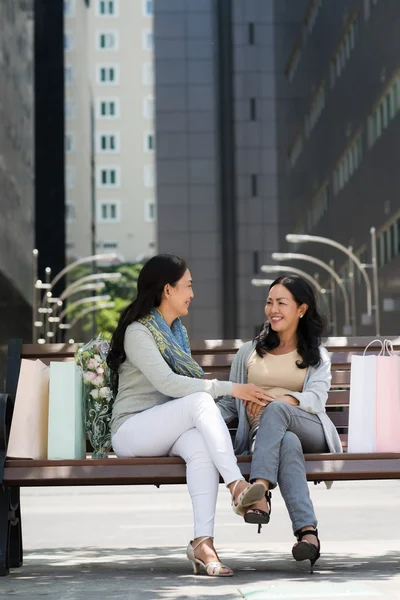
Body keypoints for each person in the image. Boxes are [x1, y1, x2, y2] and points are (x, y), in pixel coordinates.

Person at [107, 254, 271, 577]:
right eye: (188, 286)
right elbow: (169, 383)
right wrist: (232, 389)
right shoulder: (138, 333)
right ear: (167, 290)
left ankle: (202, 542)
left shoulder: (175, 333)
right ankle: (237, 485)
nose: (192, 294)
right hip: (132, 430)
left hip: (166, 425)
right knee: (199, 401)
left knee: (200, 446)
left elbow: (181, 389)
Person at [217, 274, 342, 572]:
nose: (273, 309)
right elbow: (229, 403)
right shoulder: (249, 352)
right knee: (286, 442)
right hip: (268, 438)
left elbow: (316, 398)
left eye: (282, 303)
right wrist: (196, 415)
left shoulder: (316, 355)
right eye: (269, 302)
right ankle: (307, 533)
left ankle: (260, 490)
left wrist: (279, 402)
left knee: (276, 413)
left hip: (309, 426)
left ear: (301, 309)